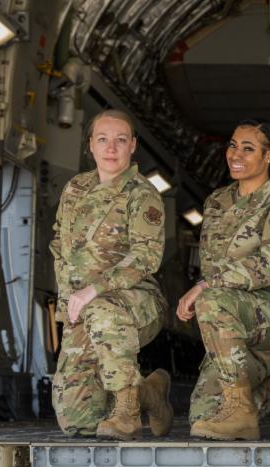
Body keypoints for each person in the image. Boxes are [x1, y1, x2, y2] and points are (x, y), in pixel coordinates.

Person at [175, 119, 270, 440]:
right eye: (233, 145)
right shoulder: (216, 202)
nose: (235, 154)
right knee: (203, 415)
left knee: (211, 300)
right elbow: (211, 264)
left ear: (269, 156)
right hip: (235, 318)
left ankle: (240, 412)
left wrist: (205, 287)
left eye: (248, 148)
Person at [50, 109, 173, 440]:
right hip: (84, 309)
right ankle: (150, 393)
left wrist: (94, 290)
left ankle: (127, 413)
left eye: (121, 140)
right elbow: (59, 244)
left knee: (103, 310)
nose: (111, 148)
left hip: (135, 304)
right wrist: (69, 304)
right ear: (91, 144)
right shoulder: (76, 188)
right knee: (76, 420)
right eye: (103, 139)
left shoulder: (142, 194)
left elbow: (145, 258)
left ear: (132, 145)